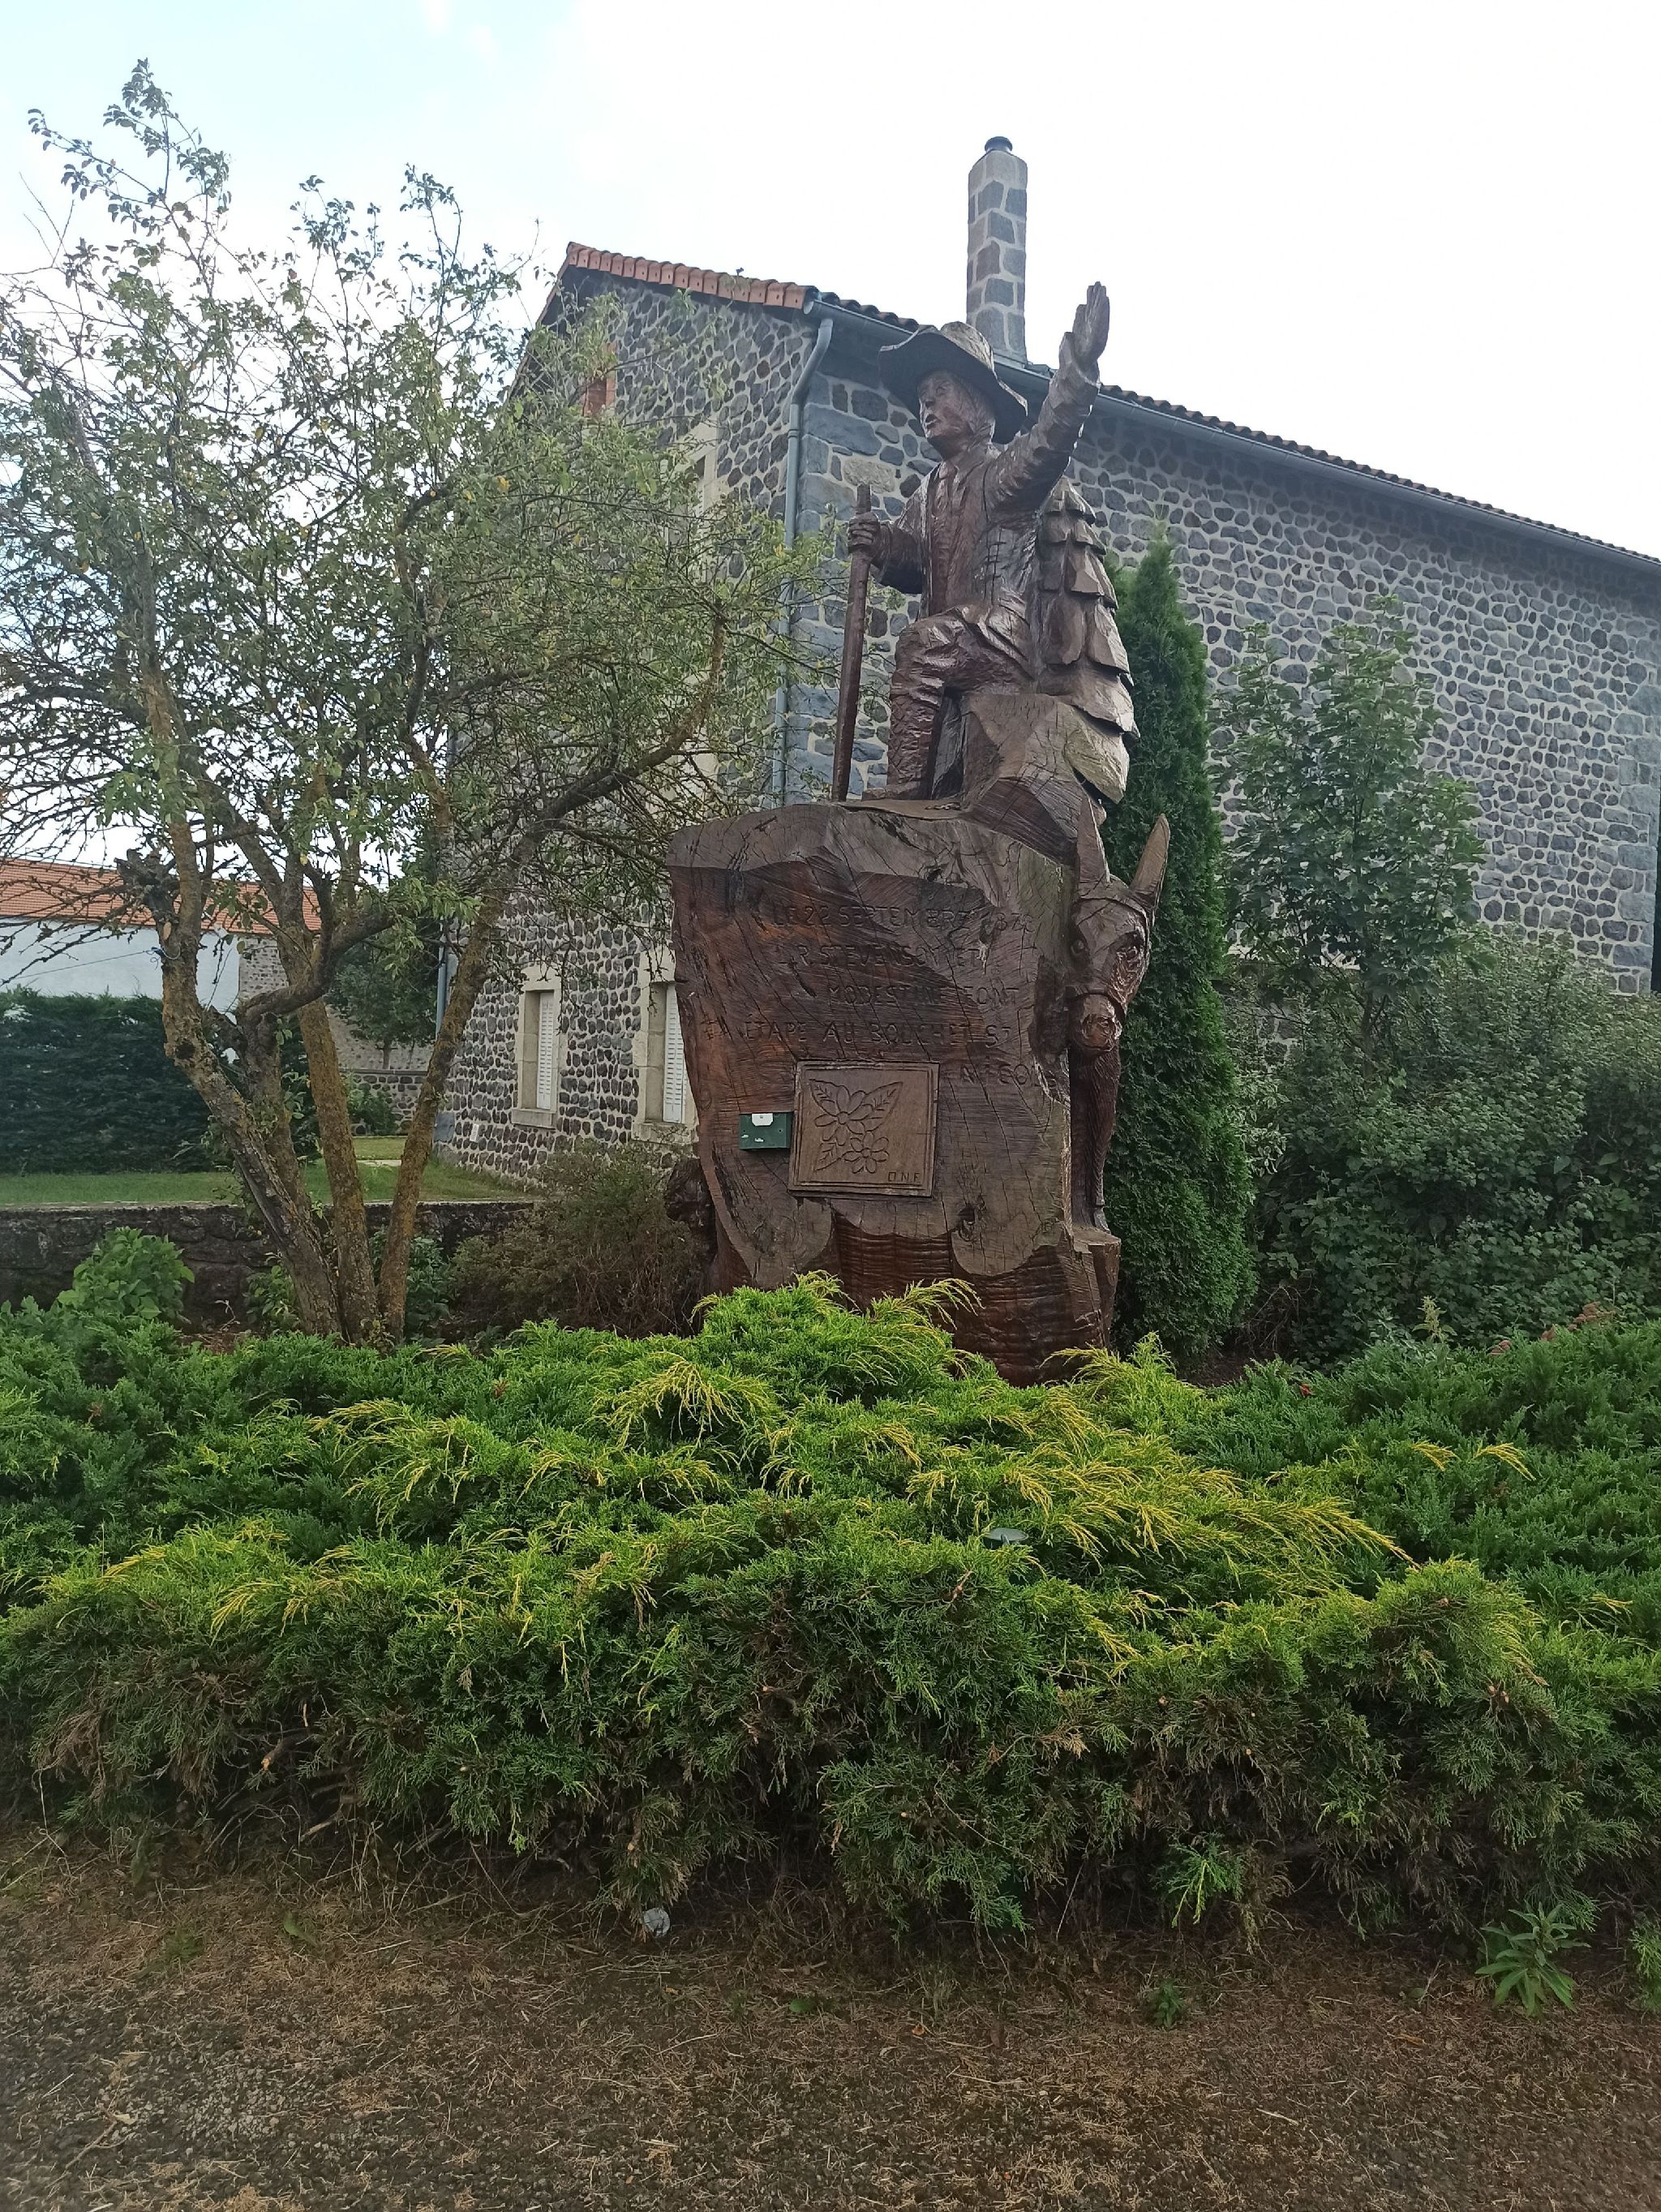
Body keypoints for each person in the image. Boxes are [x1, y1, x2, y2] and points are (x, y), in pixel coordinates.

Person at [847, 283, 1134, 800]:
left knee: (922, 645)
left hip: (997, 636)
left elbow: (1049, 442)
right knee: (930, 648)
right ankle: (920, 791)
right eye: (923, 398)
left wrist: (1078, 372)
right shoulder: (929, 490)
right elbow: (912, 556)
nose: (927, 405)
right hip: (957, 640)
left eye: (940, 391)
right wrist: (881, 542)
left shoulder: (1002, 475)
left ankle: (905, 790)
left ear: (977, 401)